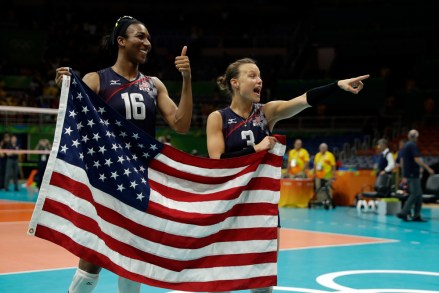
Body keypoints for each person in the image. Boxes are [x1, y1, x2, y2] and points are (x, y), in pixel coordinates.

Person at [55, 15, 193, 293]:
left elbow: (181, 124)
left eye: (148, 38)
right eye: (140, 37)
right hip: (106, 180)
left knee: (134, 258)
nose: (147, 43)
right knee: (92, 259)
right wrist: (66, 85)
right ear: (121, 41)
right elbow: (74, 111)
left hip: (140, 181)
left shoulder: (154, 84)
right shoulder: (97, 79)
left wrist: (187, 79)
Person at [205, 57, 368, 293]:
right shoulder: (218, 118)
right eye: (251, 75)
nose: (259, 80)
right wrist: (254, 149)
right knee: (223, 276)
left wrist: (336, 86)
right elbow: (217, 163)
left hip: (263, 206)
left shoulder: (266, 113)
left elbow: (302, 101)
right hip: (231, 205)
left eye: (260, 75)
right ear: (235, 83)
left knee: (263, 278)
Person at [396, 129, 434, 222]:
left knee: (419, 195)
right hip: (413, 174)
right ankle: (404, 212)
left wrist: (404, 174)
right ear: (416, 137)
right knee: (415, 194)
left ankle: (417, 215)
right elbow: (416, 159)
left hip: (410, 173)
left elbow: (403, 161)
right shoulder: (412, 145)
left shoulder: (406, 146)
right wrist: (427, 168)